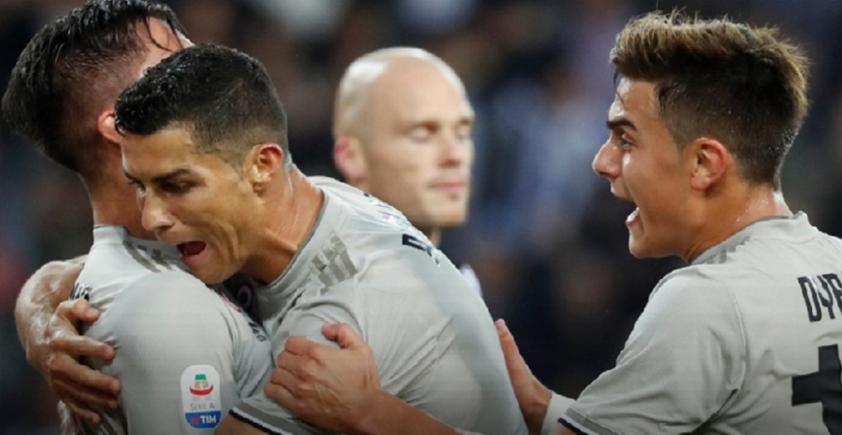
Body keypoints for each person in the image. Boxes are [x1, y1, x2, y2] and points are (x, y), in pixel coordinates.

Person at [265, 11, 842, 435]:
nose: (602, 162)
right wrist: (541, 405)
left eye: (625, 139)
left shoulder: (707, 302)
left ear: (704, 163)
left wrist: (369, 412)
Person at [113, 44, 526, 434]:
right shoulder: (314, 197)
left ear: (263, 166)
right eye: (139, 186)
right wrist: (72, 297)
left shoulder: (334, 328)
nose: (152, 218)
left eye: (178, 186)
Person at [2, 1, 272, 433]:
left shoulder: (179, 258)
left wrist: (34, 306)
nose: (213, 73)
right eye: (178, 67)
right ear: (121, 123)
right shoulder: (167, 308)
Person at [332, 47, 481, 291]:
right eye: (423, 134)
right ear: (352, 157)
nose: (454, 155)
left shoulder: (463, 284)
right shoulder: (318, 295)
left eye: (462, 133)